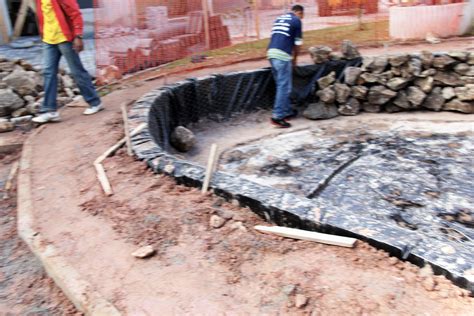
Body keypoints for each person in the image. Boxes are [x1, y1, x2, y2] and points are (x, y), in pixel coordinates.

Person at [33, 0, 103, 124]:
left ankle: (95, 102)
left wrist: (78, 36)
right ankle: (50, 111)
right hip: (49, 40)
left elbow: (75, 13)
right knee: (48, 73)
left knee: (76, 71)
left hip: (65, 39)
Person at [267, 4, 304, 128]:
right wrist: (295, 59)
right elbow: (298, 43)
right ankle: (277, 116)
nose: (302, 18)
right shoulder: (296, 20)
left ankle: (287, 111)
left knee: (281, 85)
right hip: (282, 56)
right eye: (302, 16)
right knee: (284, 87)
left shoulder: (279, 18)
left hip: (271, 53)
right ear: (299, 12)